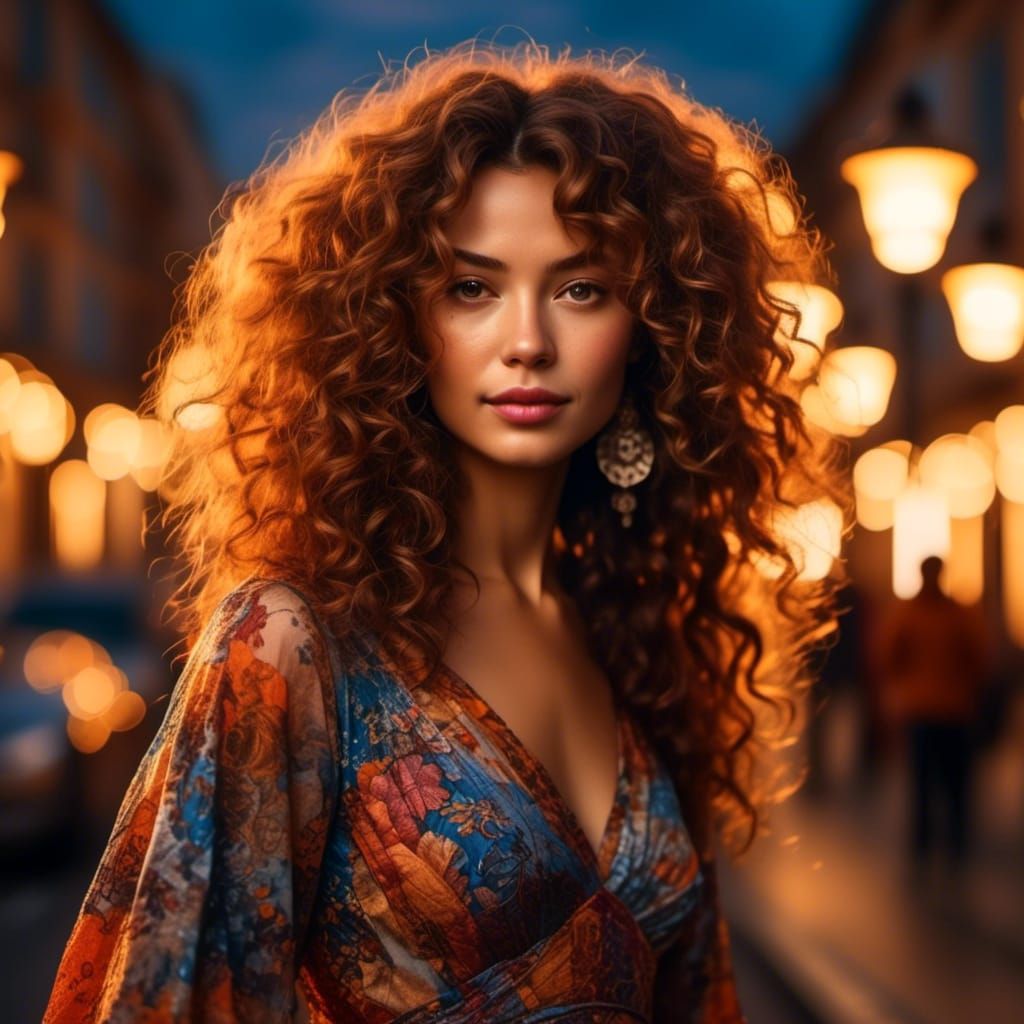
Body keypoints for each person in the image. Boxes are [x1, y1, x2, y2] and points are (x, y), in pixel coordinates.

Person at [43, 40, 845, 1023]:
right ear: (393, 318)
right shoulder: (290, 642)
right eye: (472, 287)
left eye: (581, 288)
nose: (527, 341)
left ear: (653, 326)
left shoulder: (641, 635)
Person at [876, 555, 991, 873]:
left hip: (933, 708)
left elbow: (888, 657)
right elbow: (979, 658)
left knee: (932, 782)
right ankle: (945, 843)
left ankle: (931, 844)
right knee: (943, 783)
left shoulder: (913, 613)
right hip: (944, 709)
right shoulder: (951, 614)